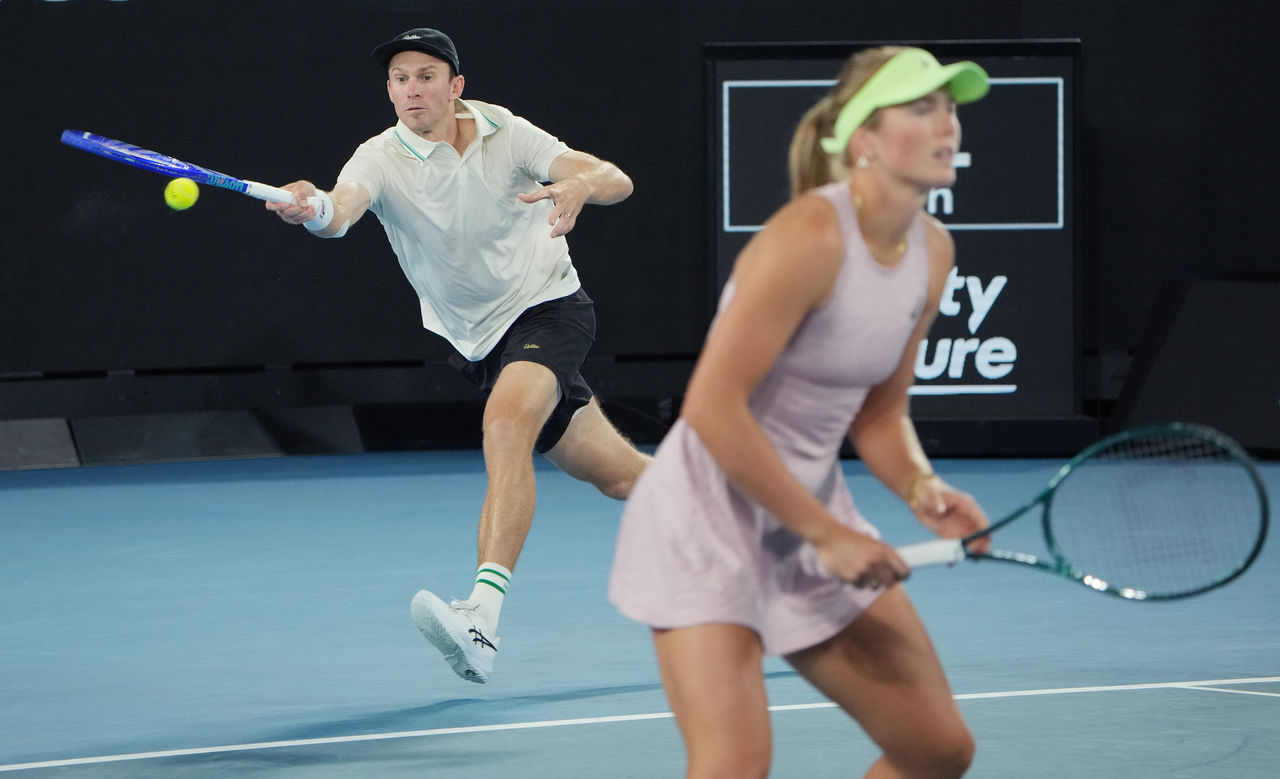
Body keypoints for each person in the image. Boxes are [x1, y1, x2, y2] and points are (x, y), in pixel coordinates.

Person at [609, 47, 993, 777]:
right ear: (864, 141)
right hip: (703, 518)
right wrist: (828, 533)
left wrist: (920, 486)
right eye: (921, 106)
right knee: (733, 765)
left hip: (809, 517)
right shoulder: (809, 237)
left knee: (937, 748)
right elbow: (713, 408)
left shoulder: (934, 251)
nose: (947, 122)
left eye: (949, 106)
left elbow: (880, 414)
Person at [269, 28, 650, 684]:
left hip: (549, 308)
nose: (410, 89)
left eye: (424, 76)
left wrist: (581, 185)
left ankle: (481, 618)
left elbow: (615, 178)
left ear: (455, 86)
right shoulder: (378, 157)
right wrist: (310, 208)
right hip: (477, 340)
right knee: (622, 477)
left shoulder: (508, 131)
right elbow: (340, 210)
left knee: (505, 426)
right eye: (398, 79)